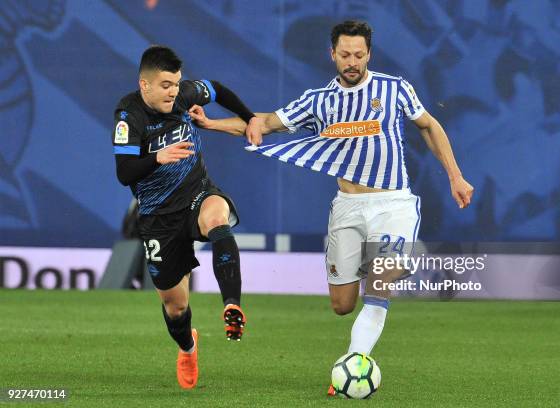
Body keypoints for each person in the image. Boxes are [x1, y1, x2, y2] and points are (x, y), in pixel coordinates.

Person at [189, 20, 474, 395]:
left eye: (359, 55)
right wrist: (211, 123)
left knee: (380, 281)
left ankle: (355, 360)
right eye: (345, 55)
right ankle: (386, 269)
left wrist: (455, 175)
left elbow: (429, 126)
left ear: (369, 54)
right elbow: (264, 123)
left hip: (393, 203)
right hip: (347, 208)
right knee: (342, 304)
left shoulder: (394, 89)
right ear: (332, 54)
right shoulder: (318, 101)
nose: (352, 62)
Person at [111, 45, 262, 389]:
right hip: (157, 217)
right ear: (144, 85)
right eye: (166, 85)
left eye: (176, 84)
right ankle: (188, 347)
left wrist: (250, 116)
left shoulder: (185, 94)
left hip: (197, 194)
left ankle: (232, 306)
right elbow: (124, 173)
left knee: (217, 218)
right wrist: (157, 157)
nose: (174, 92)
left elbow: (218, 89)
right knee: (175, 307)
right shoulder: (128, 115)